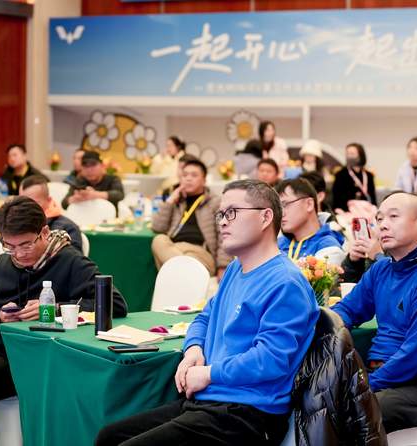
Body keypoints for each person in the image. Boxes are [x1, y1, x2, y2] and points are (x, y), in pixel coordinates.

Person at [95, 180, 319, 446]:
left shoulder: (285, 282)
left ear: (265, 217)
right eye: (221, 214)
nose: (222, 222)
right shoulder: (236, 269)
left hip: (248, 413)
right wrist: (193, 349)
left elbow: (270, 359)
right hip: (209, 400)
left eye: (232, 212)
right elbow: (204, 318)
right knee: (109, 436)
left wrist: (208, 373)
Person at [0, 196, 127, 446]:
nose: (19, 254)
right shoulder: (3, 262)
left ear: (44, 233)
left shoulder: (70, 261)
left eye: (26, 245)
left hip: (27, 361)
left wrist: (53, 309)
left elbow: (116, 305)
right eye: (9, 246)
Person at [332, 192, 417, 433]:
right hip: (377, 373)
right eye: (380, 218)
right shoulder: (382, 268)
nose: (383, 225)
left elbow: (414, 355)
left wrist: (364, 385)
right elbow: (348, 309)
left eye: (393, 217)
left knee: (349, 413)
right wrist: (323, 322)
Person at [151, 159, 229, 278]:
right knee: (159, 240)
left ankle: (184, 273)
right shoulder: (177, 201)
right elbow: (157, 227)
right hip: (174, 247)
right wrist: (170, 201)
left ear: (204, 180)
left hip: (201, 252)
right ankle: (188, 275)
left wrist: (223, 266)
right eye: (185, 175)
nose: (188, 178)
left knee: (169, 270)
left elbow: (224, 234)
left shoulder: (216, 202)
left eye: (194, 175)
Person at [276, 178, 345, 266]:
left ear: (309, 204)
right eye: (277, 208)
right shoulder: (277, 244)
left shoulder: (329, 248)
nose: (280, 213)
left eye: (285, 204)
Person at [19, 175, 83, 252]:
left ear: (48, 200)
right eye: (21, 202)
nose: (26, 208)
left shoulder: (68, 228)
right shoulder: (14, 225)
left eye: (34, 203)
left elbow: (73, 258)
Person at [332, 142, 377, 211]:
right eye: (347, 154)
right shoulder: (340, 175)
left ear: (360, 155)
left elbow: (373, 199)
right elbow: (337, 199)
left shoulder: (369, 175)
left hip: (367, 210)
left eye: (352, 154)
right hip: (347, 211)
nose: (349, 156)